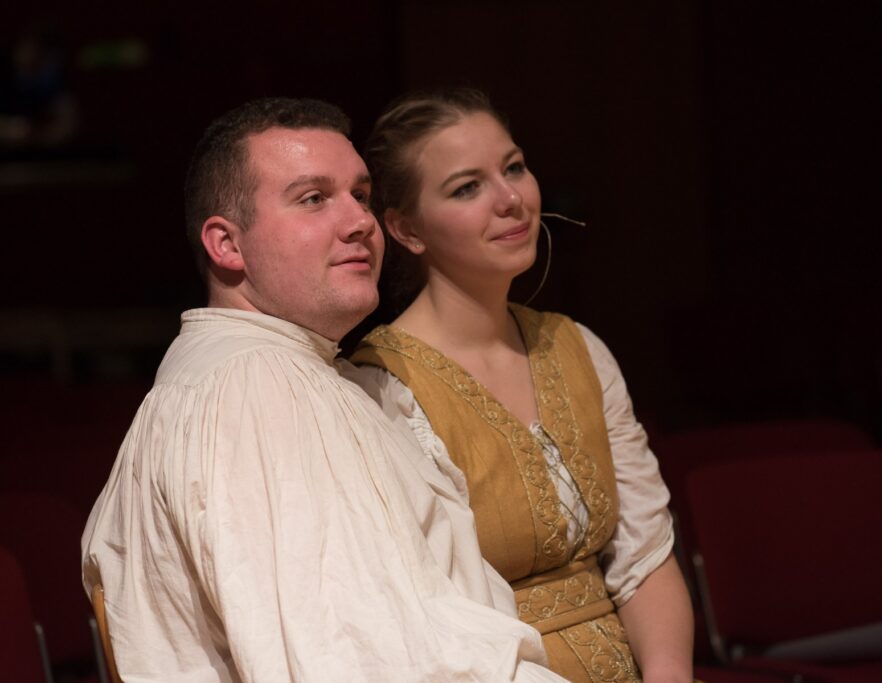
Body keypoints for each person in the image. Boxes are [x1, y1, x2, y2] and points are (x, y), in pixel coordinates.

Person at [81, 97, 569, 682]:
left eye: (360, 194)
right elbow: (362, 664)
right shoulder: (258, 388)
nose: (361, 221)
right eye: (313, 198)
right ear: (227, 245)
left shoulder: (268, 373)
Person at [350, 89, 696, 683]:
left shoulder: (575, 346)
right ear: (407, 229)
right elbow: (426, 621)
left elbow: (644, 558)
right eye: (467, 188)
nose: (511, 199)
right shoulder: (382, 389)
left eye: (513, 168)